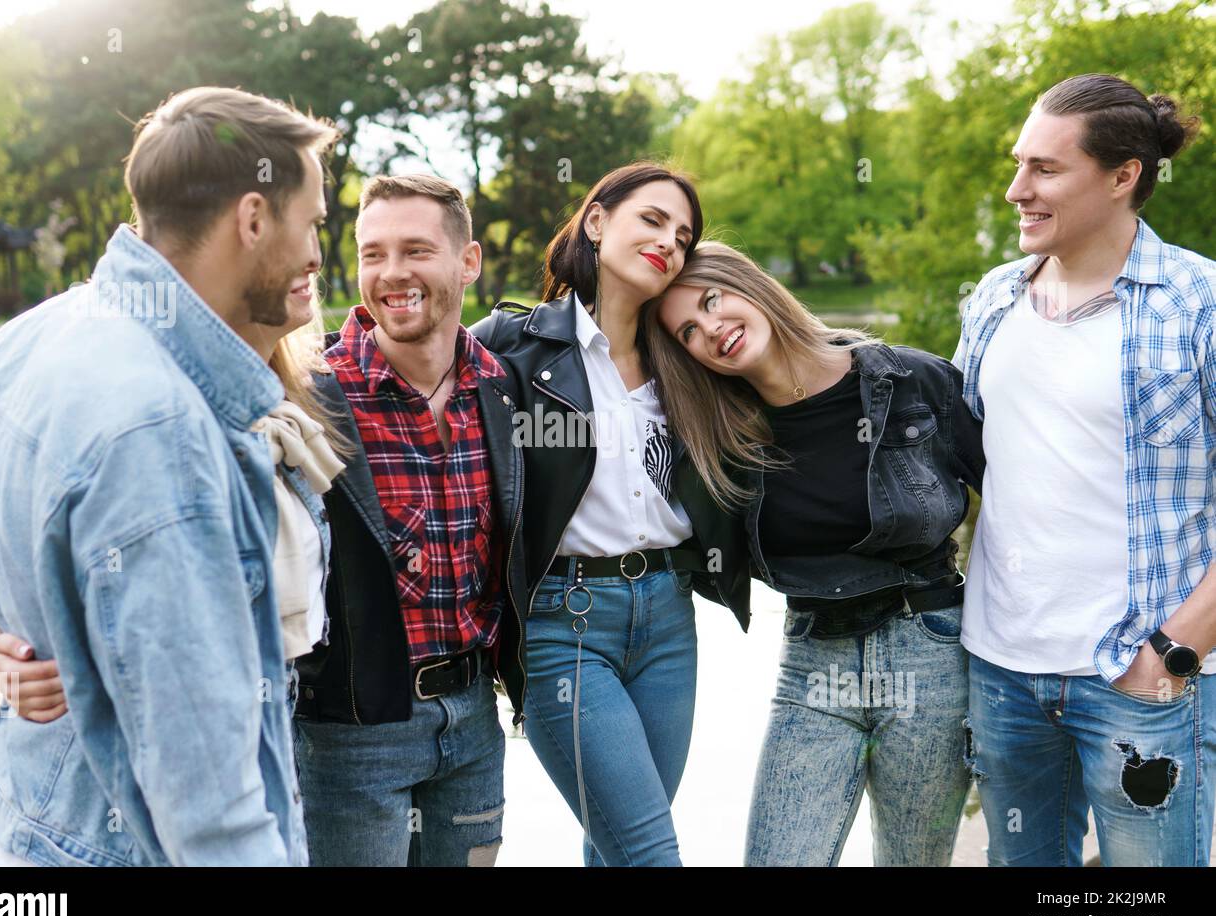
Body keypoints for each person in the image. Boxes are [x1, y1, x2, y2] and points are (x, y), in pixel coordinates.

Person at [0, 86, 338, 866]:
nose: (319, 252)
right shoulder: (161, 434)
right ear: (253, 220)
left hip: (20, 810)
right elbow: (207, 808)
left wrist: (2, 636)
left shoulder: (37, 332)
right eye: (312, 222)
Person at [0, 283, 350, 865]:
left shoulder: (290, 399)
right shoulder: (139, 406)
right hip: (89, 815)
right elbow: (5, 562)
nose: (313, 256)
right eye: (300, 223)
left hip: (249, 769)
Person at [645, 239, 984, 865]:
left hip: (930, 651)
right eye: (688, 330)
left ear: (751, 284)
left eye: (713, 301)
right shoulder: (721, 436)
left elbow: (1014, 508)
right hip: (812, 660)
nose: (711, 329)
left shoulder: (911, 381)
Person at [954, 73, 1216, 866]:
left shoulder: (1200, 304)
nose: (1016, 190)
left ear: (1123, 175)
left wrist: (1173, 654)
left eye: (1044, 169)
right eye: (1017, 164)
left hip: (1143, 678)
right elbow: (950, 460)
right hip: (1002, 674)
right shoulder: (993, 298)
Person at [470, 163, 751, 866]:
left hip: (667, 619)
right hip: (565, 624)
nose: (669, 243)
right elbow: (415, 382)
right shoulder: (514, 345)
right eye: (652, 220)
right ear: (597, 222)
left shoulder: (688, 359)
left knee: (616, 846)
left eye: (683, 237)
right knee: (650, 852)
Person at [291, 174, 527, 867]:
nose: (392, 274)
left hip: (474, 721)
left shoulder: (503, 389)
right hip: (349, 735)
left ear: (468, 261)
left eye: (417, 251)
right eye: (373, 254)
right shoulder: (309, 395)